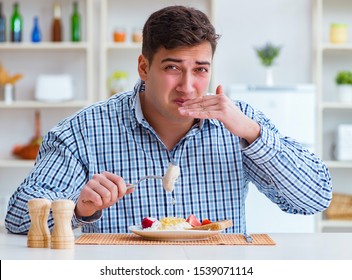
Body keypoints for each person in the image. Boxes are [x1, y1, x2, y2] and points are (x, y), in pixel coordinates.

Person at [5, 5, 332, 234]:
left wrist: (250, 132)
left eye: (200, 70)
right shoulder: (82, 131)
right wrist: (78, 208)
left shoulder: (241, 125)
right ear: (144, 67)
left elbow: (314, 198)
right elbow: (19, 218)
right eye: (172, 68)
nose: (188, 86)